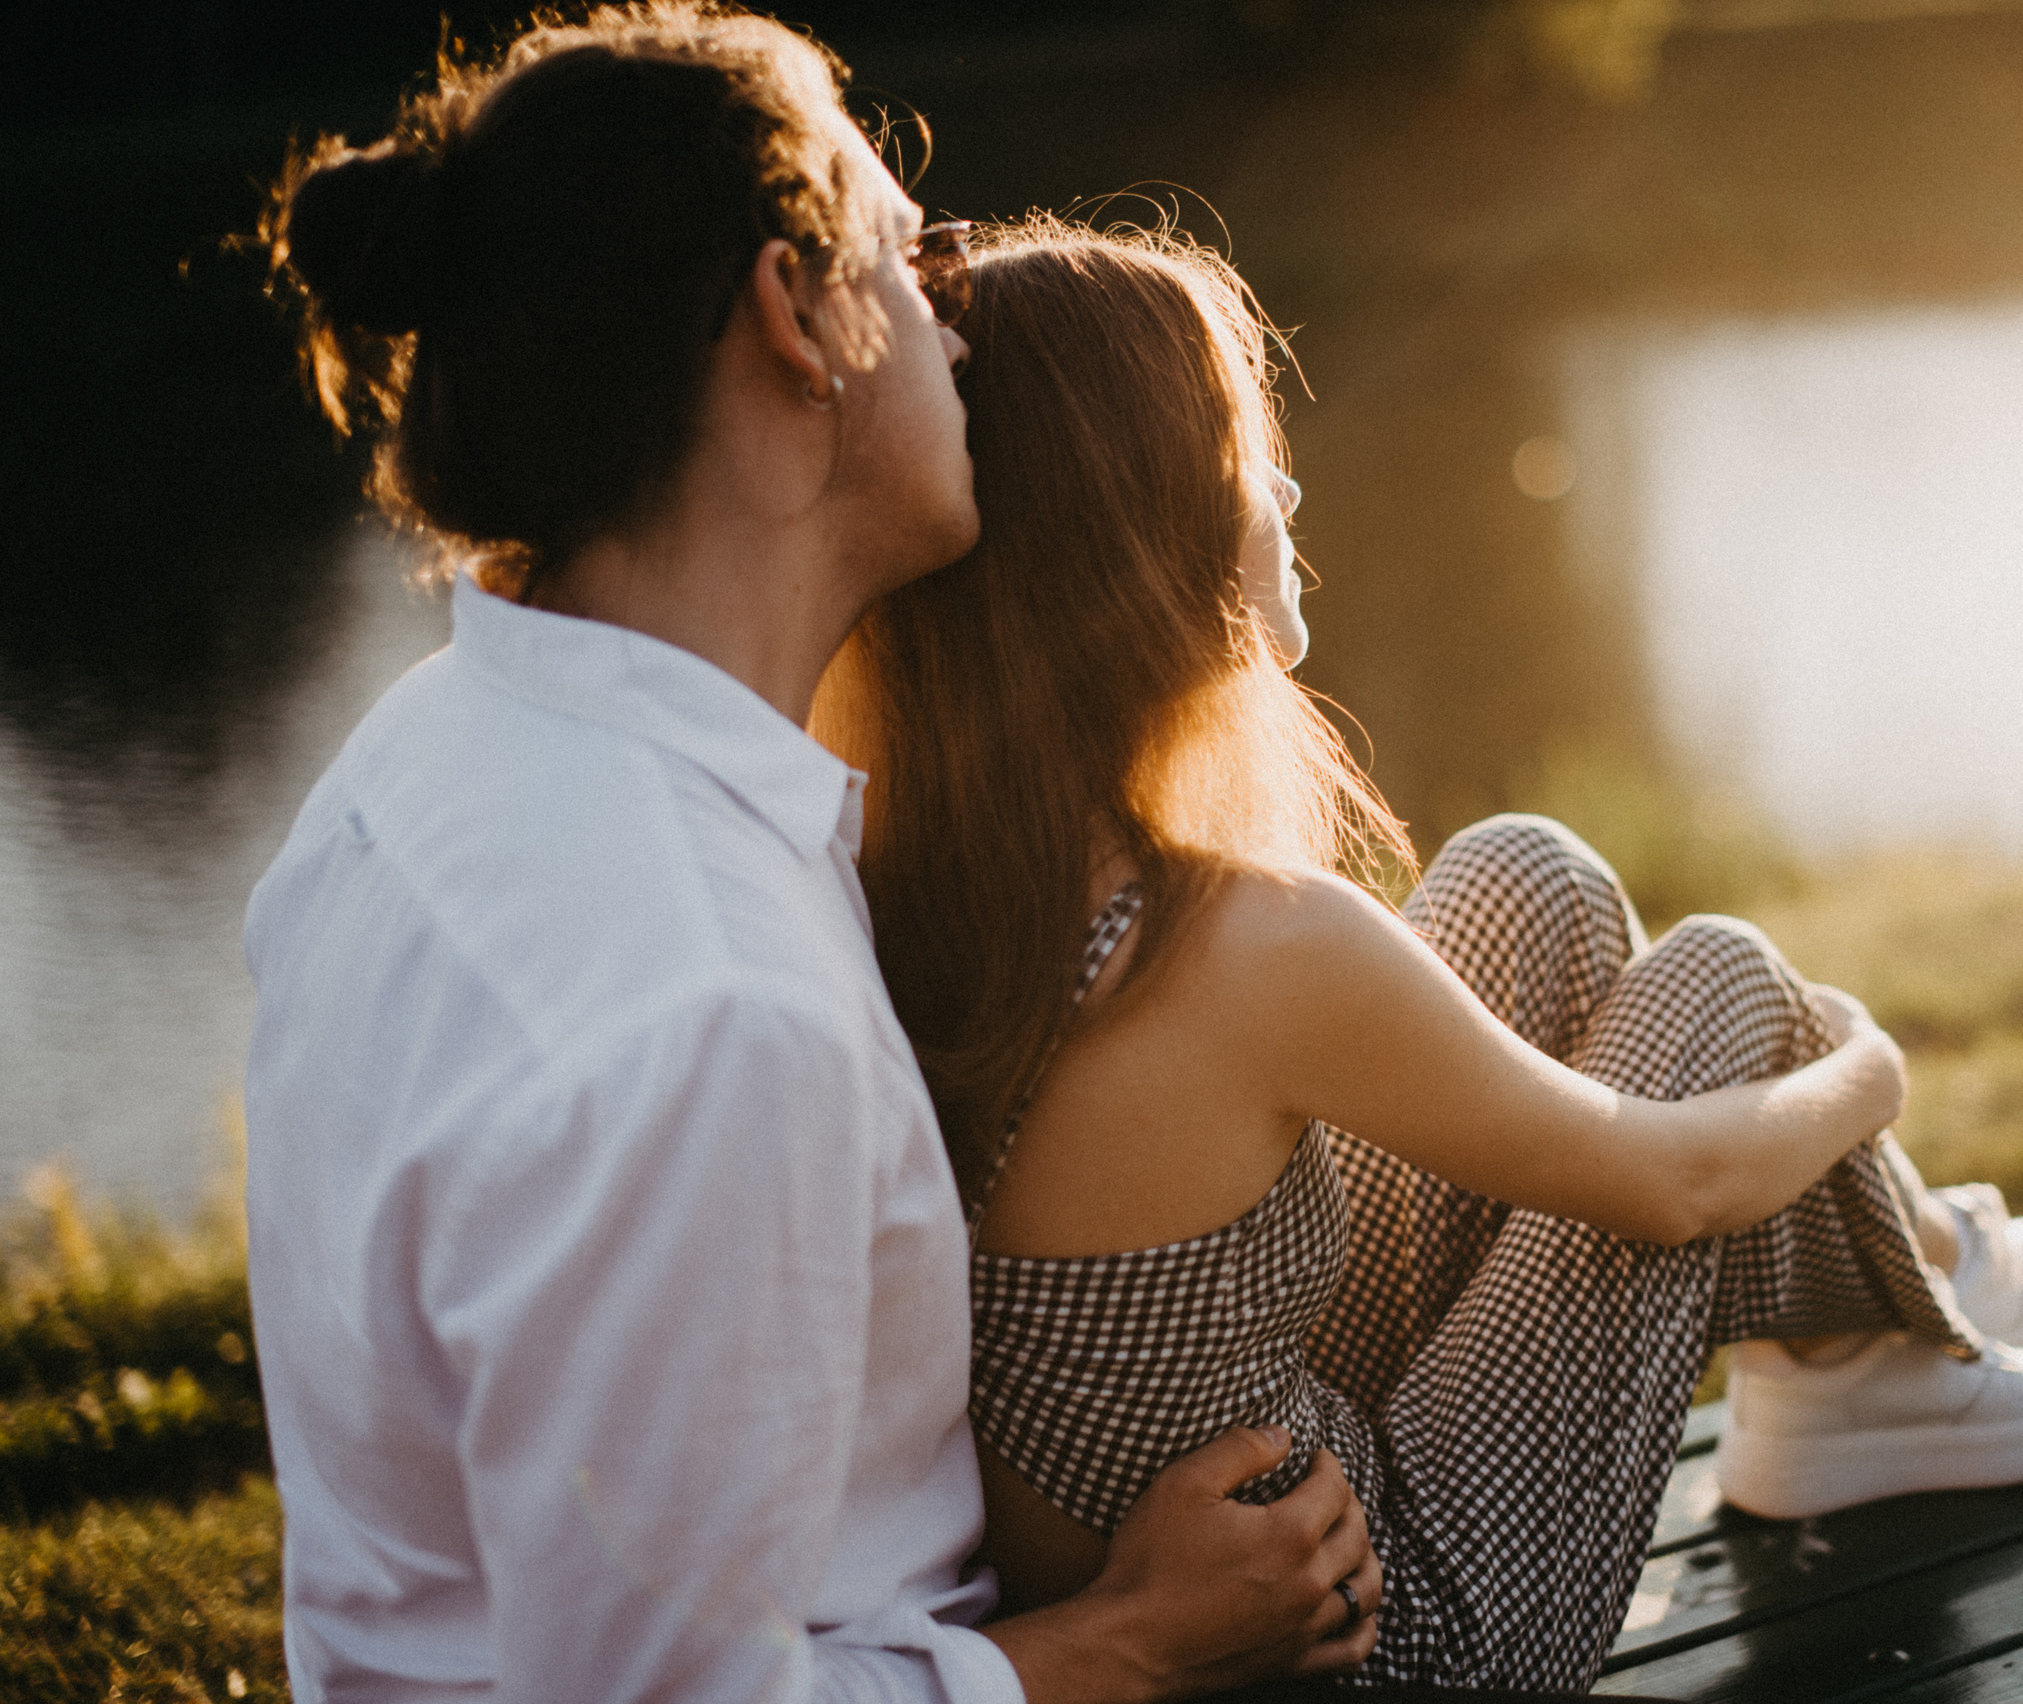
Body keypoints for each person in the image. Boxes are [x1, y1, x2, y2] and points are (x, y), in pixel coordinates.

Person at [243, 11, 1380, 1703]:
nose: (955, 315)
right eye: (913, 257)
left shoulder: (427, 754)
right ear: (802, 317)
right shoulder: (704, 1012)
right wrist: (1137, 1637)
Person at [811, 219, 2023, 1692]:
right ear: (1146, 528)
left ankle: (1876, 1332)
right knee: (1723, 990)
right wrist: (1869, 1068)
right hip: (1387, 1633)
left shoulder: (910, 878)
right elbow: (1673, 1182)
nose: (1286, 487)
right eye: (1244, 446)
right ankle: (1910, 1301)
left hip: (1254, 1505)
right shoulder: (1246, 949)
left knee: (1522, 880)